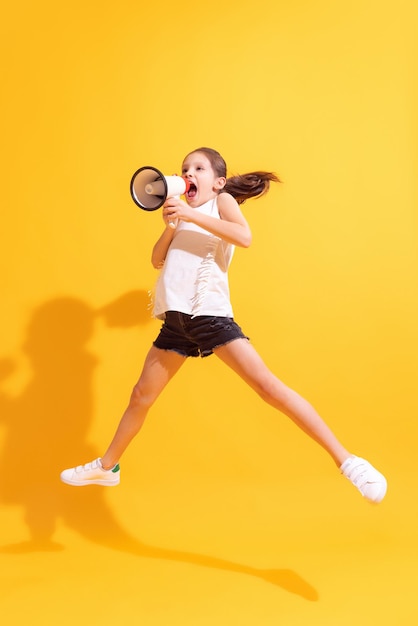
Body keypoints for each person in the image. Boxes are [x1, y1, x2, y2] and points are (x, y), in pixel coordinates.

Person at [60, 147, 387, 503]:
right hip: (176, 322)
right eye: (185, 167)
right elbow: (157, 260)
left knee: (268, 389)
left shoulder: (222, 202)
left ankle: (349, 461)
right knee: (141, 395)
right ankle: (108, 467)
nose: (188, 172)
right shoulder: (184, 213)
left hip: (209, 316)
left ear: (217, 182)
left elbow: (243, 237)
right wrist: (172, 225)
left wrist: (190, 214)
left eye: (198, 167)